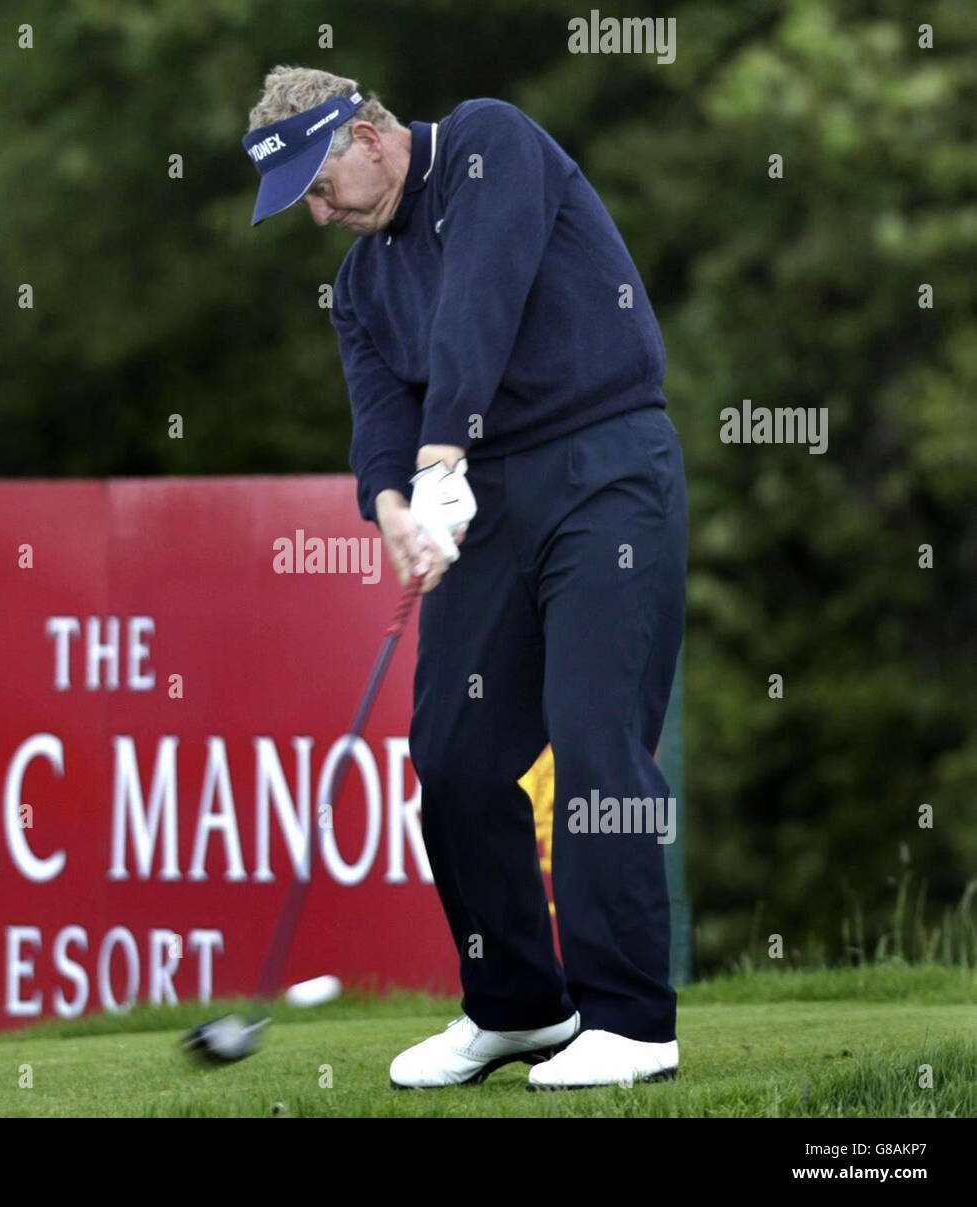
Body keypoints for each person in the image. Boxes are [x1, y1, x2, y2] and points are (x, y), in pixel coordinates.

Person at [242, 66, 687, 1090]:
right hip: (480, 510)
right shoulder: (359, 285)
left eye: (320, 186)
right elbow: (378, 422)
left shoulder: (490, 141)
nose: (319, 215)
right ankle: (521, 1007)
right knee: (451, 757)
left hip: (604, 471)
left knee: (592, 735)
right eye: (303, 201)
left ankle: (630, 1019)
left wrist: (443, 456)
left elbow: (481, 295)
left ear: (368, 134)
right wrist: (397, 513)